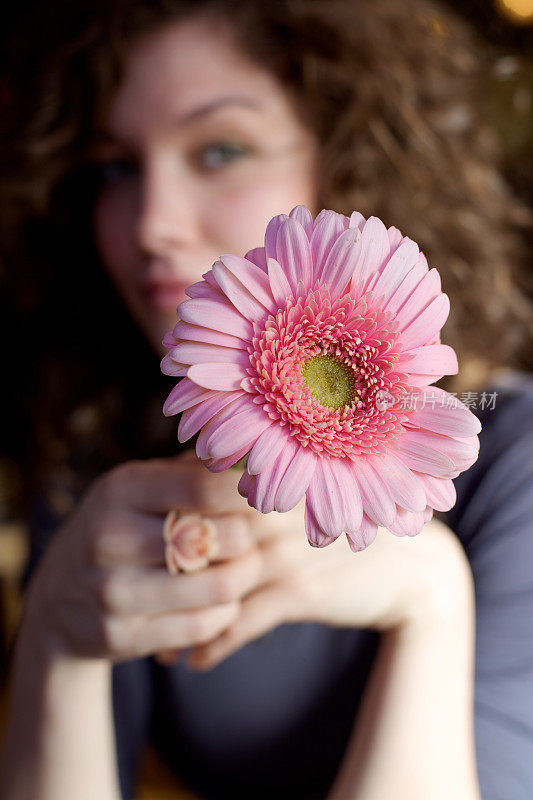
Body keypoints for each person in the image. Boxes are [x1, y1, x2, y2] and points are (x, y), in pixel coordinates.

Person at [1, 0, 532, 798]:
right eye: (114, 167)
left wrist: (433, 603)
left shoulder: (511, 457)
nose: (151, 223)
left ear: (347, 155)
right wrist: (54, 636)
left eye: (220, 150)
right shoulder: (99, 455)